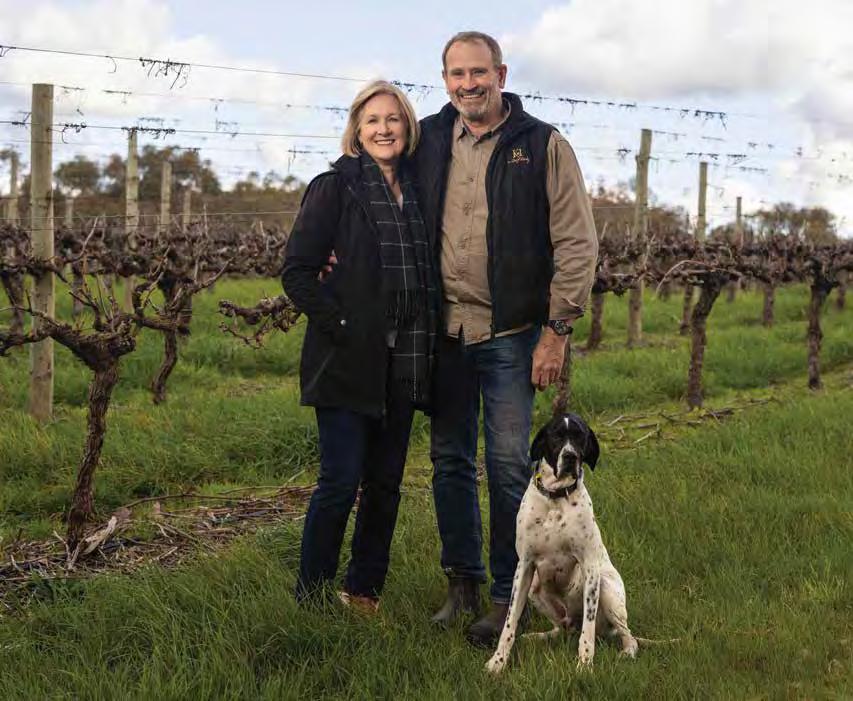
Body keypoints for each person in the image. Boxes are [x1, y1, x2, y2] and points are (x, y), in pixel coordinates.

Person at [414, 31, 599, 646]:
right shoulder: (428, 138)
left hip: (511, 334)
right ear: (445, 79)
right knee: (449, 461)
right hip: (444, 332)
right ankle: (461, 582)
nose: (467, 84)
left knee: (506, 465)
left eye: (478, 72)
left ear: (500, 74)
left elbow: (576, 242)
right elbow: (378, 189)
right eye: (456, 74)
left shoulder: (542, 144)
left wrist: (557, 331)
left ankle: (505, 594)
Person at [282, 80, 437, 612]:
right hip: (346, 360)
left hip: (405, 358)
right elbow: (297, 273)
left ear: (408, 127)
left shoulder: (419, 193)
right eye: (372, 120)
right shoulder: (335, 187)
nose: (383, 129)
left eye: (393, 119)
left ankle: (364, 591)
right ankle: (312, 599)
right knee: (340, 482)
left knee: (386, 484)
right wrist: (343, 324)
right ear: (357, 130)